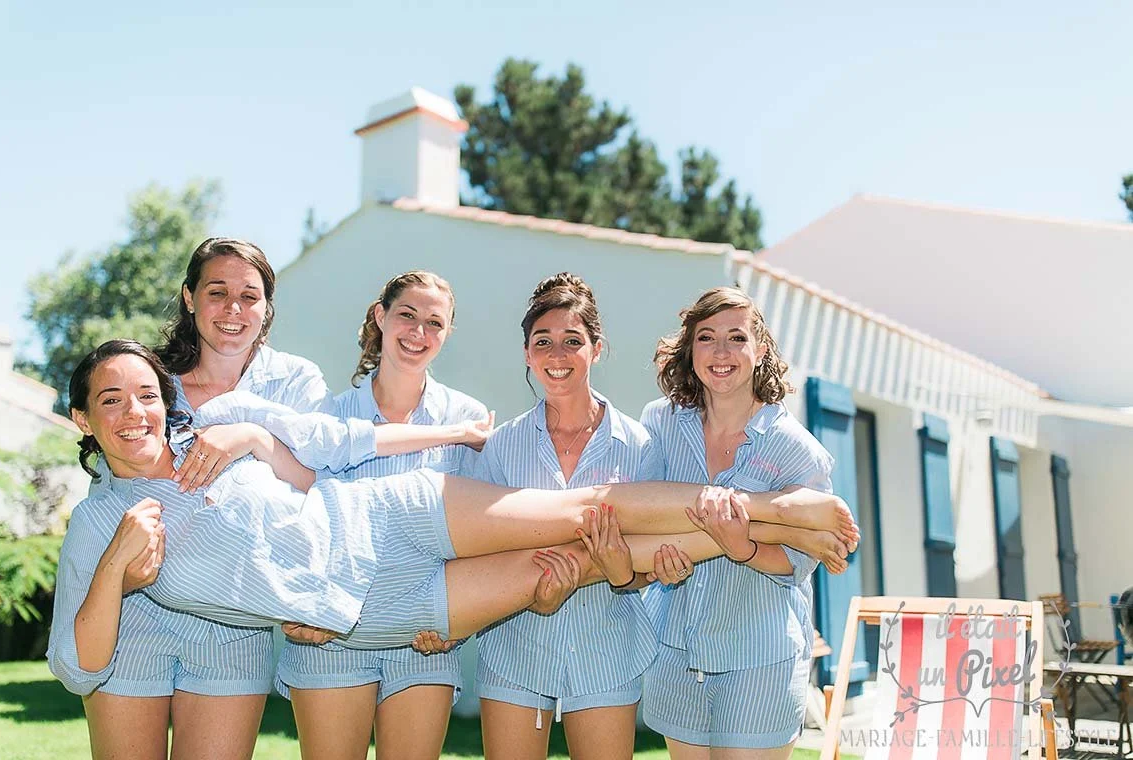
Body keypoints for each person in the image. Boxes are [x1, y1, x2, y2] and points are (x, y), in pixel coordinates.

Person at [49, 341, 858, 730]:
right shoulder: (98, 523)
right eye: (110, 401)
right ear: (83, 419)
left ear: (167, 399)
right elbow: (79, 669)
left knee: (584, 506)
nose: (135, 413)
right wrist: (120, 563)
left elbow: (331, 455)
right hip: (370, 609)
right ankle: (773, 519)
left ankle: (780, 509)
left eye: (145, 394)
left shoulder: (221, 425)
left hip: (385, 513)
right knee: (573, 562)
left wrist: (256, 442)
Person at [52, 237, 335, 760]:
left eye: (249, 296)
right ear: (188, 297)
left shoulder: (296, 382)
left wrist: (254, 438)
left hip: (231, 619)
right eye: (216, 291)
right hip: (134, 612)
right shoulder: (149, 379)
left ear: (267, 307)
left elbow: (324, 490)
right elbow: (113, 481)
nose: (233, 309)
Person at [279, 271, 493, 760]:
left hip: (423, 639)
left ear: (447, 334)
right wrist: (301, 609)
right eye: (407, 316)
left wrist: (460, 622)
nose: (419, 332)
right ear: (381, 317)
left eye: (434, 323)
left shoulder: (469, 421)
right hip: (332, 638)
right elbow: (298, 525)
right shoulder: (329, 419)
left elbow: (485, 535)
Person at [640, 287, 848, 759]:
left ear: (761, 350)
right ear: (688, 349)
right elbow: (645, 520)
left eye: (736, 338)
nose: (720, 352)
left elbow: (803, 559)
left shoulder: (796, 449)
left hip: (761, 658)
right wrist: (660, 565)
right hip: (676, 652)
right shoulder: (662, 423)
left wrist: (745, 548)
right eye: (706, 337)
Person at [468, 273, 661, 759]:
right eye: (543, 342)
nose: (557, 356)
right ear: (527, 354)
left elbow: (650, 562)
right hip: (515, 651)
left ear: (597, 348)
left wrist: (622, 575)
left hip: (608, 658)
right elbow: (480, 551)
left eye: (572, 341)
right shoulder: (500, 448)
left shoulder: (640, 448)